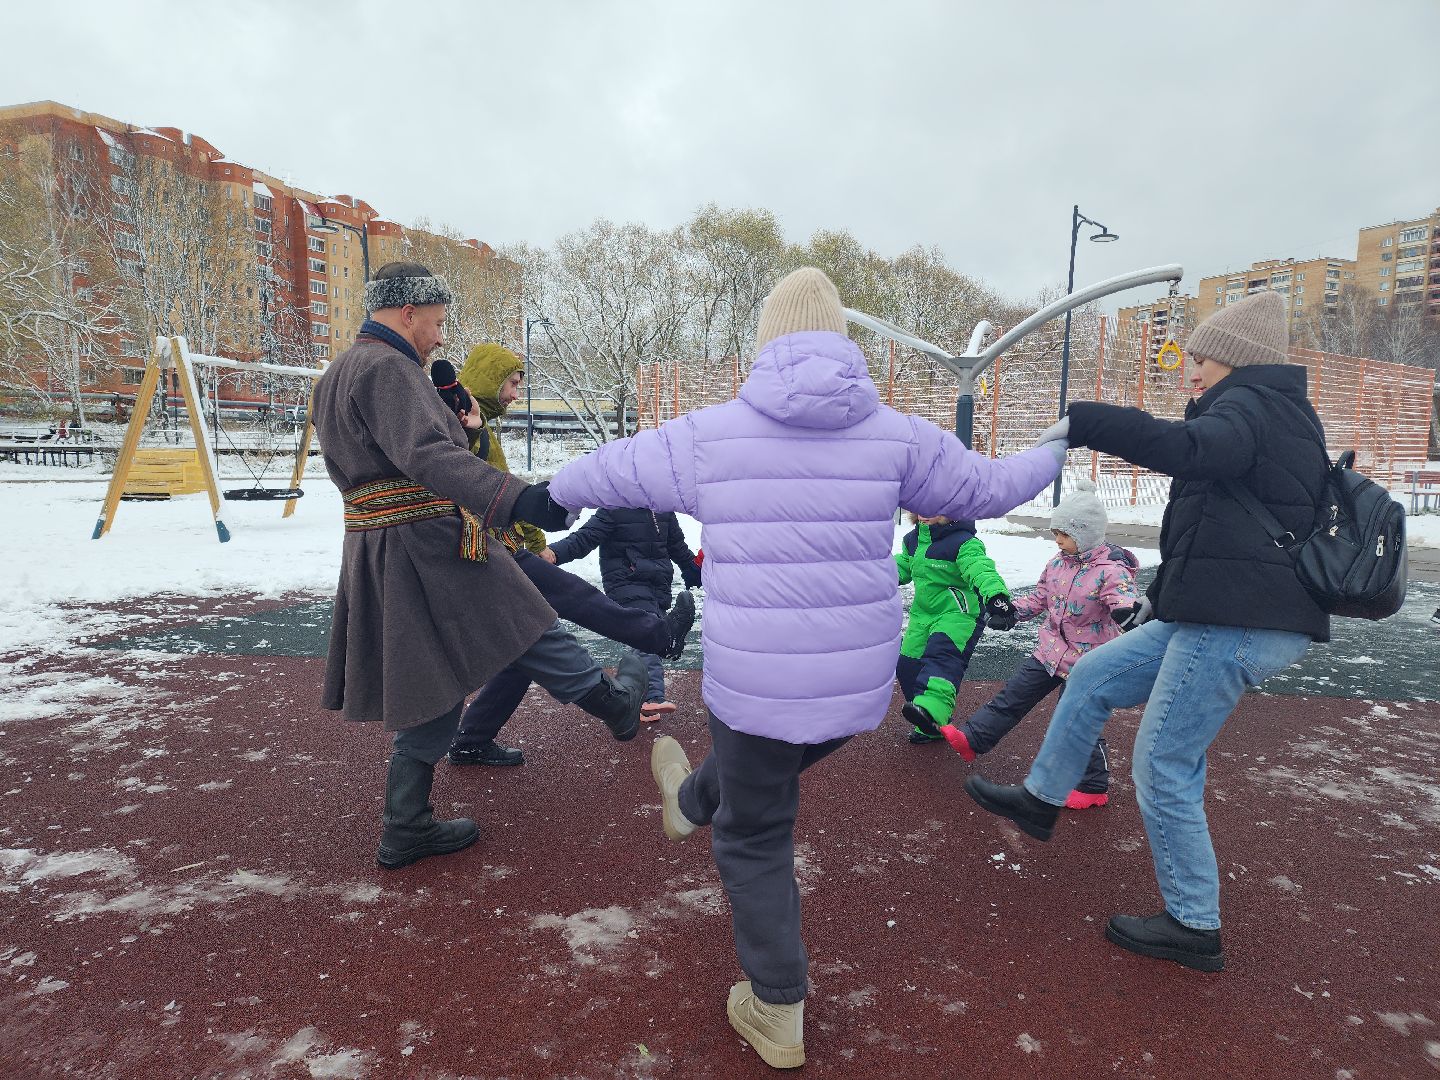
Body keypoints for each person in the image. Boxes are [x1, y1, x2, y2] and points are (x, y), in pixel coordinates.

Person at [547, 267, 1067, 1068]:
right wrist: (1063, 439)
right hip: (854, 684)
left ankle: (776, 1004)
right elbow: (991, 486)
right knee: (770, 766)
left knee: (755, 834)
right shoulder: (897, 435)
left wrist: (544, 497)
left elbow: (608, 470)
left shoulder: (710, 433)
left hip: (754, 683)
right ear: (843, 345)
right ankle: (691, 799)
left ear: (768, 343)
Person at [964, 291, 1331, 973]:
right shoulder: (1263, 411)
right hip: (1214, 611)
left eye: (1201, 356)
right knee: (1096, 674)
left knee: (1165, 763)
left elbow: (1193, 452)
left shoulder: (1252, 408)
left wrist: (1088, 422)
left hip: (1237, 622)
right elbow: (1223, 528)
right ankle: (1042, 799)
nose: (1189, 367)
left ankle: (1194, 924)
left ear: (1237, 359)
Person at [311, 262, 650, 870]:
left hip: (382, 542)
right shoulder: (389, 368)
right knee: (523, 616)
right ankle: (613, 703)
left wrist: (458, 424)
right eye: (437, 323)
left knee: (432, 667)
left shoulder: (339, 372)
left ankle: (406, 821)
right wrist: (520, 497)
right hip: (431, 538)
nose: (440, 338)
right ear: (408, 312)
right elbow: (425, 457)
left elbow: (389, 459)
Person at [436, 348, 696, 766]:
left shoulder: (478, 426)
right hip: (479, 551)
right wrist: (545, 547)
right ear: (491, 378)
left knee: (528, 642)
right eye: (514, 382)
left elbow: (498, 487)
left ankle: (472, 738)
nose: (517, 393)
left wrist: (535, 539)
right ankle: (648, 657)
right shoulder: (459, 421)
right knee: (571, 602)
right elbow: (476, 483)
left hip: (491, 546)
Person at [940, 478, 1139, 809]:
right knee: (1013, 695)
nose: (1057, 540)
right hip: (1050, 651)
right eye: (1055, 533)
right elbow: (1041, 597)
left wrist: (1126, 611)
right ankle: (974, 738)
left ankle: (1093, 785)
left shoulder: (1111, 570)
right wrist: (1012, 611)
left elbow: (1123, 596)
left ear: (1086, 533)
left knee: (1074, 719)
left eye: (1065, 534)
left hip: (1087, 662)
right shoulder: (1057, 563)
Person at [545, 507, 702, 716]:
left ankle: (629, 695)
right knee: (648, 633)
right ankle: (652, 697)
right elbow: (585, 538)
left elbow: (677, 547)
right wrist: (554, 553)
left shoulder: (663, 511)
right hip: (626, 582)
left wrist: (693, 571)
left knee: (641, 640)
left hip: (658, 586)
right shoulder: (614, 510)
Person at [894, 512, 1013, 746]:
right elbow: (904, 567)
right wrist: (873, 575)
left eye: (934, 508)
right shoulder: (912, 540)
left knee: (942, 656)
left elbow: (980, 569)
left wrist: (996, 597)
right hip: (923, 614)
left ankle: (932, 710)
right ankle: (929, 721)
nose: (925, 514)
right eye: (920, 508)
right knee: (908, 665)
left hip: (958, 613)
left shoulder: (963, 542)